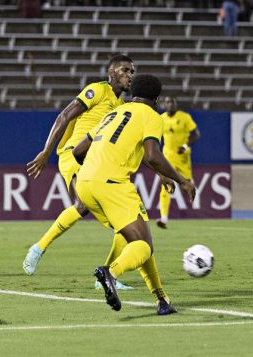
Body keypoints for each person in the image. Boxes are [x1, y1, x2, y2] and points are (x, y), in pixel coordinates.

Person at [73, 74, 196, 315]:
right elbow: (151, 155)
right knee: (143, 245)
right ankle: (111, 272)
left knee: (139, 240)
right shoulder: (151, 115)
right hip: (113, 183)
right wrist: (181, 180)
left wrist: (97, 166)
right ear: (156, 99)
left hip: (86, 183)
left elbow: (78, 151)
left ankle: (162, 300)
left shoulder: (113, 114)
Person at [23, 54, 136, 291]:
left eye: (132, 71)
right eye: (125, 70)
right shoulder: (96, 91)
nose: (130, 75)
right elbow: (64, 115)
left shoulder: (123, 107)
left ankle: (106, 277)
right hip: (72, 154)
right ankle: (38, 248)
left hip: (95, 164)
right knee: (82, 204)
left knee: (124, 225)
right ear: (112, 72)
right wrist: (46, 152)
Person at [156, 96, 201, 229]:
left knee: (186, 183)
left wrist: (186, 146)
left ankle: (194, 203)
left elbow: (196, 134)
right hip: (167, 157)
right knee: (165, 186)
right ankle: (163, 218)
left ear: (176, 104)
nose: (170, 105)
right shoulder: (161, 119)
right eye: (168, 102)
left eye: (172, 102)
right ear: (164, 104)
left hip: (182, 156)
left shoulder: (184, 117)